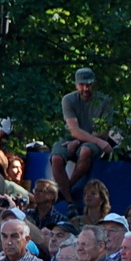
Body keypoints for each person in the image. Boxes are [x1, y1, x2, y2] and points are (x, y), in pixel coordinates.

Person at [50, 68, 113, 201]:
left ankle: (65, 189)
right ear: (76, 85)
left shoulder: (105, 101)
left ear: (94, 84)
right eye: (81, 85)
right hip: (70, 137)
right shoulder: (68, 99)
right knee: (56, 158)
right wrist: (77, 139)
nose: (85, 88)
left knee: (85, 151)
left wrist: (80, 141)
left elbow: (102, 132)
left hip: (94, 139)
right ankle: (69, 200)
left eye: (88, 85)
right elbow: (74, 129)